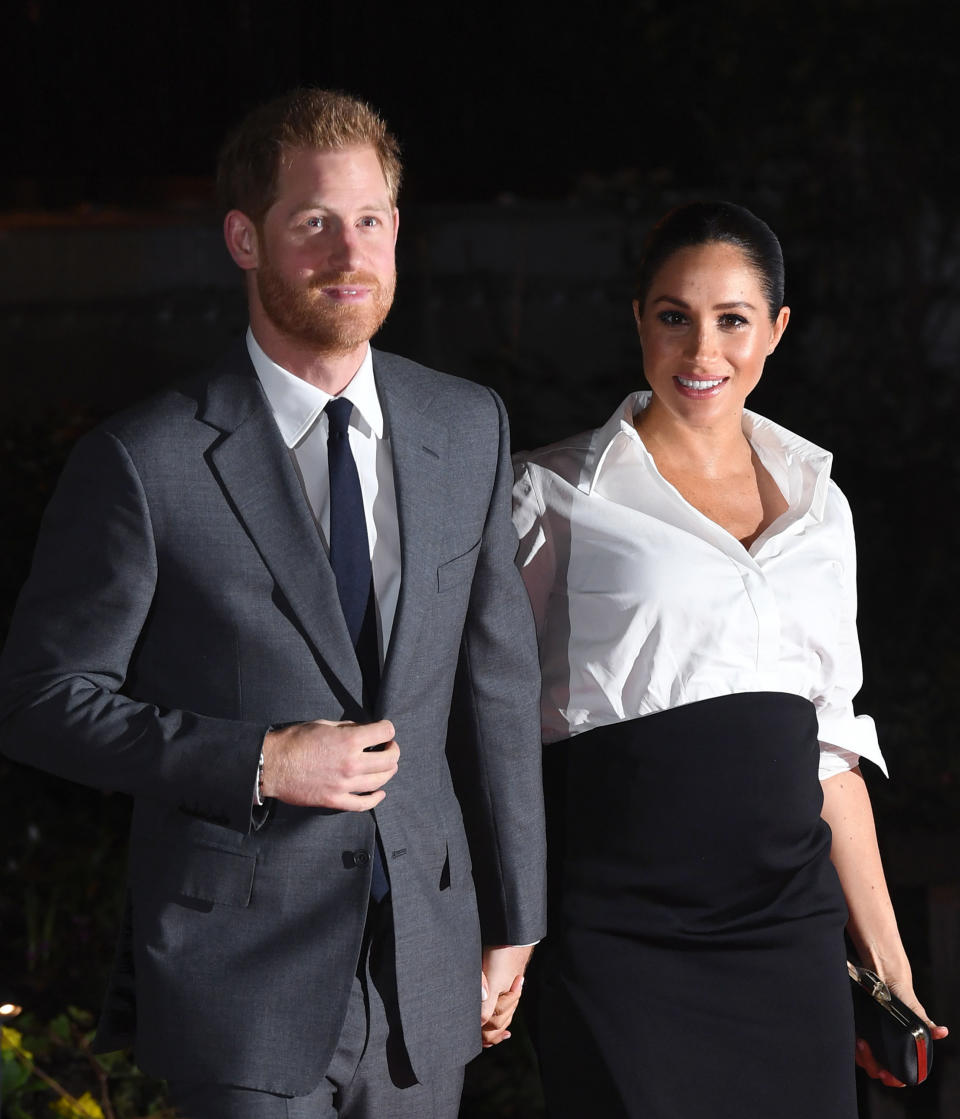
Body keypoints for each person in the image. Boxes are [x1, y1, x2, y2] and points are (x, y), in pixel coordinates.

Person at [0, 88, 546, 1119]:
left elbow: (499, 688)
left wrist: (516, 918)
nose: (352, 251)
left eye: (373, 219)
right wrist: (257, 760)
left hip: (425, 973)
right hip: (237, 980)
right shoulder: (144, 460)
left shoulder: (467, 425)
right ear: (245, 238)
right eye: (315, 221)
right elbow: (39, 698)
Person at [512, 201, 948, 1118]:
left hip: (787, 935)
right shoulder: (548, 492)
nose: (701, 350)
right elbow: (488, 721)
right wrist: (505, 931)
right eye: (674, 316)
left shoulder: (821, 506)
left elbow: (829, 746)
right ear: (638, 318)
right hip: (620, 933)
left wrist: (888, 958)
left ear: (777, 329)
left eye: (732, 320)